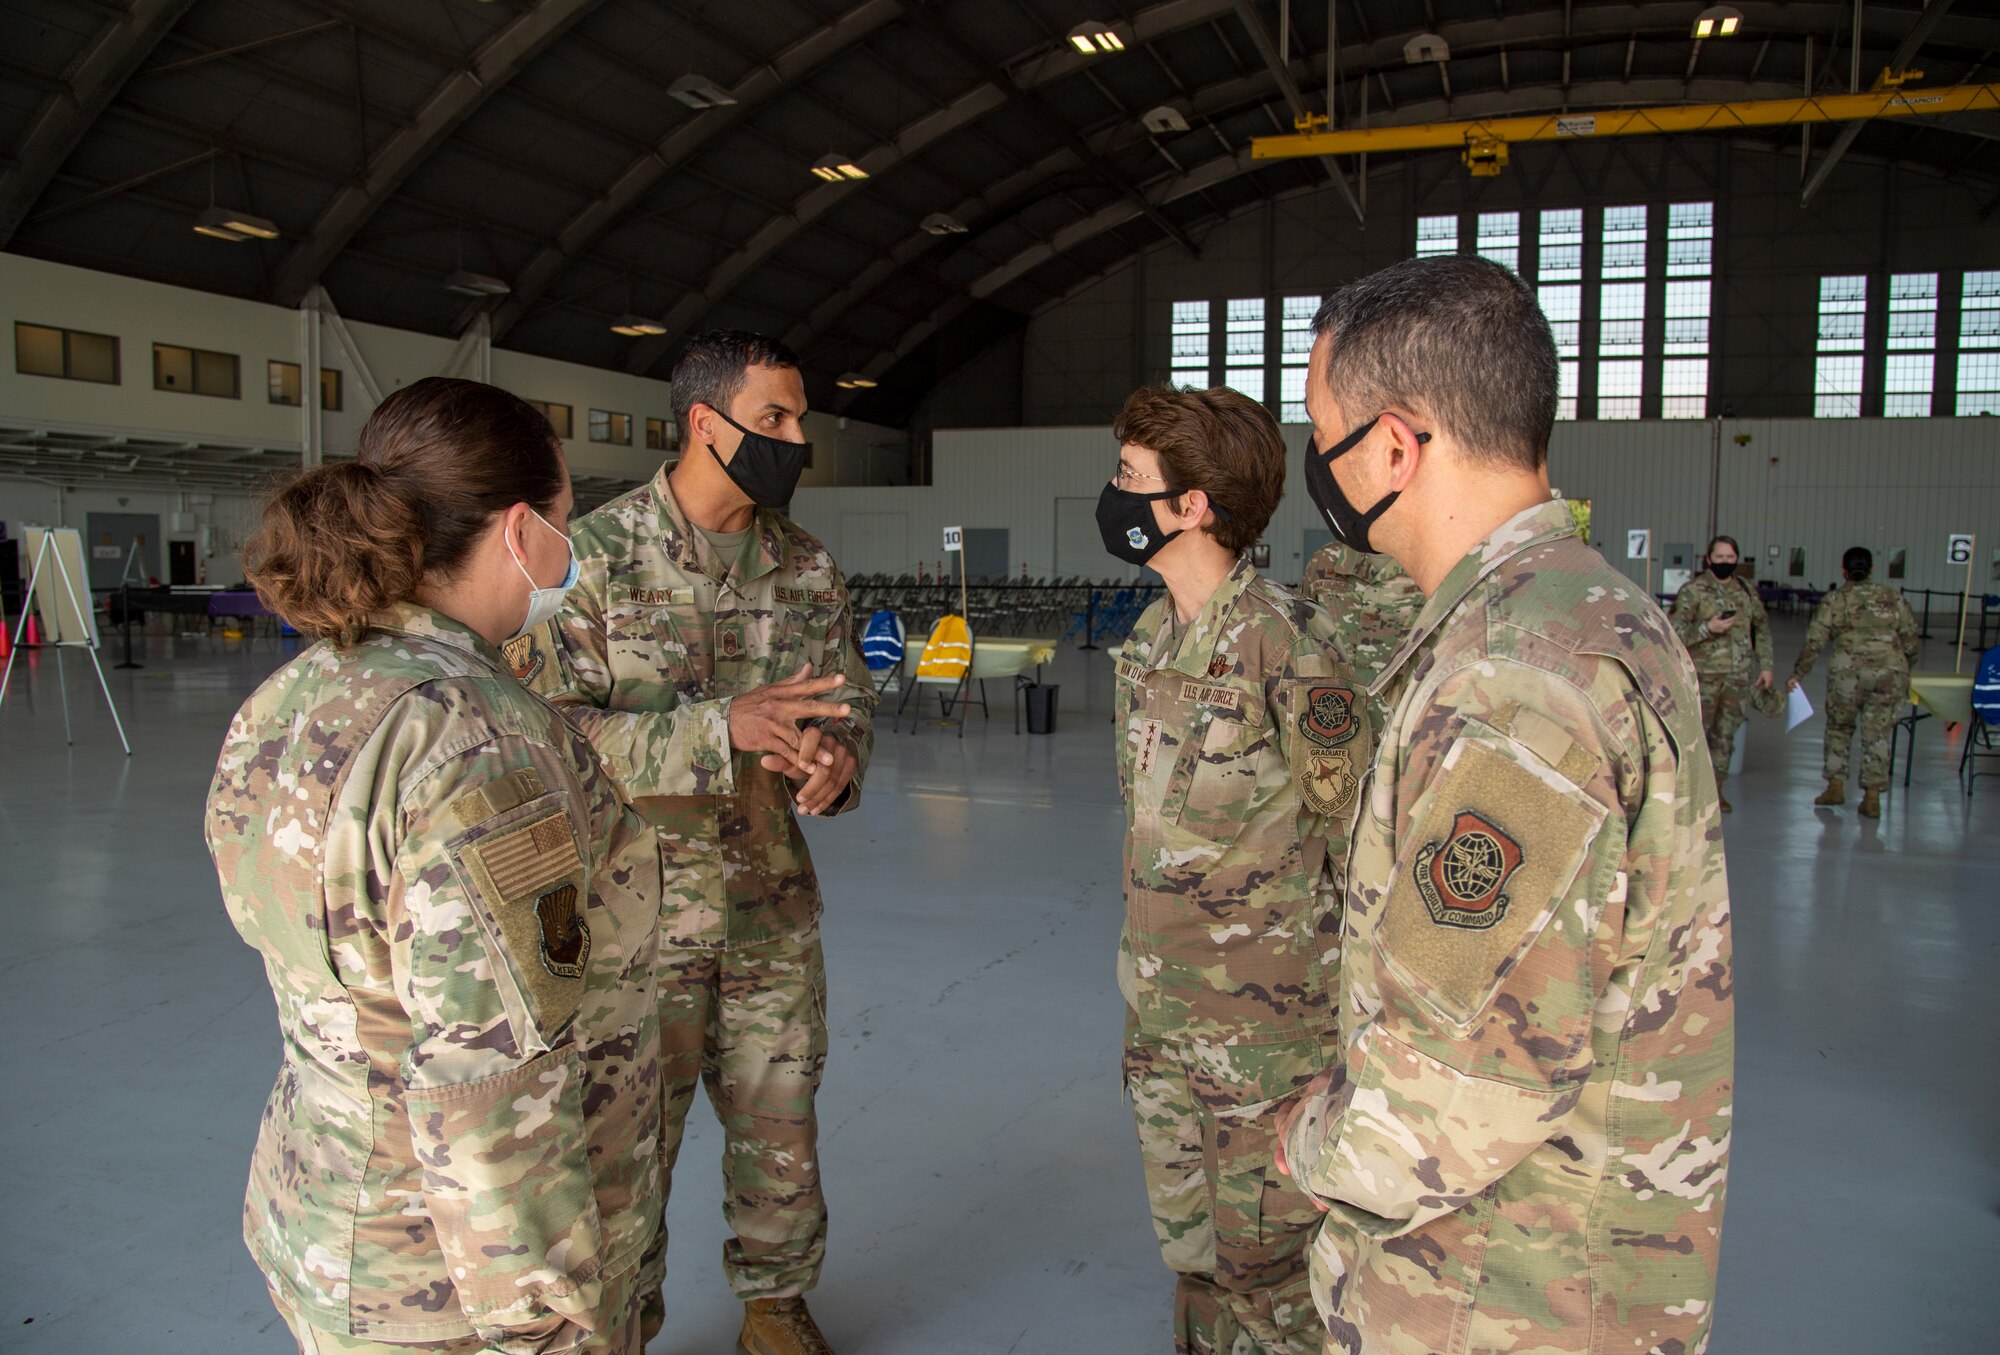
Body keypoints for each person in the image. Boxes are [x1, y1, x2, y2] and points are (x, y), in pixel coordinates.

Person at [1273, 255, 1735, 1354]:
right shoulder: (1584, 612)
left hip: (1493, 1294)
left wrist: (1309, 1144)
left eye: (1321, 431)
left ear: (1393, 444)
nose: (1318, 465)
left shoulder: (1513, 675)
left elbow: (1455, 1088)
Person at [205, 378, 661, 1354]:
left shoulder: (295, 695)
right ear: (518, 530)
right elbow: (488, 1069)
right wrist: (541, 1323)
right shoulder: (474, 738)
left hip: (327, 1212)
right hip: (452, 1287)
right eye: (565, 519)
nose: (568, 551)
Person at [506, 330, 873, 1355]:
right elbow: (546, 735)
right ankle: (624, 1318)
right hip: (632, 926)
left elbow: (845, 705)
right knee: (621, 1145)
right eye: (775, 419)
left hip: (767, 911)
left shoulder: (803, 565)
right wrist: (716, 728)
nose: (796, 440)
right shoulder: (594, 560)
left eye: (799, 419)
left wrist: (837, 764)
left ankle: (774, 1303)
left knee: (780, 1125)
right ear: (703, 423)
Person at [1105, 384, 1368, 1355]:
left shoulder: (1289, 648)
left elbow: (1361, 841)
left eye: (1130, 479)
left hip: (1267, 1050)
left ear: (1192, 505)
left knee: (1271, 1283)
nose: (1114, 494)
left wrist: (1345, 1048)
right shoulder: (1145, 643)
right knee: (1191, 1259)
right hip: (1161, 1021)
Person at [1787, 546, 1919, 818]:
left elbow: (1815, 641)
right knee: (1878, 733)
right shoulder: (1893, 597)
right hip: (1889, 674)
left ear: (1844, 570)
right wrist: (1902, 667)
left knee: (1839, 727)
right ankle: (1872, 798)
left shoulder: (1835, 600)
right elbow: (1910, 640)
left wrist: (1799, 673)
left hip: (1847, 676)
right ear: (1872, 569)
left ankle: (1835, 787)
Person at [1669, 535, 1773, 811]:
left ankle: (1715, 793)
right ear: (1708, 559)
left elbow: (1761, 628)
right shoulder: (1693, 591)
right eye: (1720, 558)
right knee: (1695, 737)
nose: (1725, 562)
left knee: (1725, 737)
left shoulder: (1746, 591)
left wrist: (1767, 665)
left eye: (1730, 558)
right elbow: (1673, 632)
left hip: (1737, 677)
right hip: (1703, 677)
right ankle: (1690, 794)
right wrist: (1707, 629)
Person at [1300, 538, 1425, 695]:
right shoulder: (1326, 559)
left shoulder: (1427, 563)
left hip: (1403, 703)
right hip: (1337, 703)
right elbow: (1305, 632)